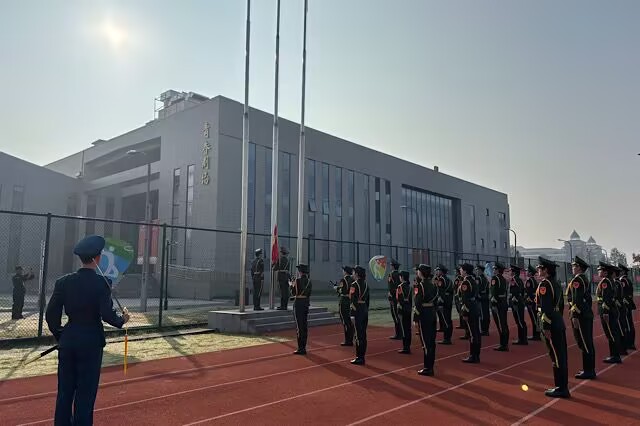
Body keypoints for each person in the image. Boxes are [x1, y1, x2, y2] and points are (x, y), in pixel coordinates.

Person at [45, 235, 130, 425]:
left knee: (64, 392)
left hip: (68, 341)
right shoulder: (102, 283)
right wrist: (122, 320)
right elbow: (107, 315)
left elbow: (51, 315)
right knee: (85, 394)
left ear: (81, 258)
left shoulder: (63, 282)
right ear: (98, 258)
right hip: (91, 342)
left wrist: (61, 335)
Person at [535, 256, 570, 399]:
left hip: (551, 324)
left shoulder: (545, 284)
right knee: (560, 355)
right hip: (557, 321)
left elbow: (546, 307)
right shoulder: (555, 283)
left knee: (556, 356)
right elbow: (559, 306)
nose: (538, 270)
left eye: (540, 268)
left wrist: (546, 326)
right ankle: (561, 386)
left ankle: (561, 388)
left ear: (546, 270)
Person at [566, 256, 596, 380]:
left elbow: (576, 299)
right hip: (585, 314)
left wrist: (575, 315)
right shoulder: (582, 279)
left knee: (584, 342)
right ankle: (588, 369)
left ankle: (589, 370)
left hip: (581, 315)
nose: (572, 267)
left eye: (574, 266)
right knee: (585, 342)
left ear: (579, 267)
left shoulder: (578, 280)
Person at [414, 264, 438, 376]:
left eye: (418, 271)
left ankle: (428, 367)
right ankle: (430, 365)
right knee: (431, 342)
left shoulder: (420, 286)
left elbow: (417, 303)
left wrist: (415, 318)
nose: (417, 272)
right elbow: (436, 299)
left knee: (425, 342)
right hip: (432, 313)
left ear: (422, 273)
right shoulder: (433, 285)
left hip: (424, 314)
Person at [596, 263, 623, 363]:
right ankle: (614, 355)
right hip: (612, 310)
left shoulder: (606, 282)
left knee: (611, 334)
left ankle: (615, 356)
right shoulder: (610, 280)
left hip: (608, 311)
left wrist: (605, 312)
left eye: (600, 270)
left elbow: (606, 298)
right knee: (613, 333)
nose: (598, 272)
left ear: (606, 272)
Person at [459, 263, 481, 363]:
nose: (460, 270)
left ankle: (473, 355)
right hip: (474, 307)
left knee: (472, 333)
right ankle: (476, 355)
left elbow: (465, 299)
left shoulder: (466, 282)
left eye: (461, 269)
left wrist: (465, 313)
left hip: (470, 309)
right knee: (476, 332)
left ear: (465, 271)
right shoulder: (473, 280)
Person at [290, 263, 312, 355]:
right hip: (305, 303)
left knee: (299, 326)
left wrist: (291, 285)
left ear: (300, 272)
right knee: (304, 325)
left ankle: (301, 348)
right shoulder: (309, 281)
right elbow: (309, 294)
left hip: (298, 303)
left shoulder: (297, 280)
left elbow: (294, 293)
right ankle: (304, 346)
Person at [350, 265, 370, 365]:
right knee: (363, 334)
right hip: (364, 310)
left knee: (358, 335)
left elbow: (352, 301)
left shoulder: (354, 285)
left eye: (354, 272)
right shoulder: (366, 284)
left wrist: (352, 314)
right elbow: (368, 300)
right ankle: (362, 356)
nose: (352, 274)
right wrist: (365, 309)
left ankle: (359, 357)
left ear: (357, 274)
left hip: (357, 311)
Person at [490, 262, 509, 351]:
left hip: (498, 303)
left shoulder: (495, 278)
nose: (493, 270)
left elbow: (494, 292)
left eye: (495, 269)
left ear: (497, 270)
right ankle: (505, 343)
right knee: (504, 323)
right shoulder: (503, 279)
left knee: (501, 325)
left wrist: (493, 304)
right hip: (503, 301)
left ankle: (503, 344)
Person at [610, 266, 628, 356]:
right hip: (620, 306)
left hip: (619, 307)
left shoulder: (616, 283)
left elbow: (616, 296)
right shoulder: (617, 282)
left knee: (620, 328)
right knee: (621, 327)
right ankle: (623, 348)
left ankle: (622, 348)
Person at [334, 266, 355, 346]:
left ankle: (348, 340)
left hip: (344, 301)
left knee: (345, 321)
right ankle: (350, 338)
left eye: (343, 270)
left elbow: (342, 290)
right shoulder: (353, 280)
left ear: (345, 272)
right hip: (350, 301)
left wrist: (336, 288)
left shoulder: (343, 280)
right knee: (349, 321)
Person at [434, 264, 454, 345]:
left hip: (443, 302)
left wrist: (440, 302)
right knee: (448, 319)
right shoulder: (448, 279)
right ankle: (448, 337)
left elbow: (440, 292)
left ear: (441, 271)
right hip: (448, 301)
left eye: (438, 270)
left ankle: (447, 339)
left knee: (445, 320)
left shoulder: (441, 280)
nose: (436, 272)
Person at [619, 264, 636, 351]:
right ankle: (630, 343)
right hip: (628, 304)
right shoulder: (626, 280)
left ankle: (630, 343)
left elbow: (624, 295)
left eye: (620, 270)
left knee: (628, 324)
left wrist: (623, 304)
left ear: (623, 271)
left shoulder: (623, 281)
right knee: (629, 323)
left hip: (626, 305)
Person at [509, 265, 528, 345]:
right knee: (521, 321)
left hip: (517, 302)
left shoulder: (514, 279)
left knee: (519, 321)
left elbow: (515, 291)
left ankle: (522, 339)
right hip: (520, 301)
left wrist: (514, 301)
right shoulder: (519, 279)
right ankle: (523, 338)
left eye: (511, 271)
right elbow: (522, 290)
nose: (510, 272)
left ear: (513, 272)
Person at [396, 270, 413, 354]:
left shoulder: (400, 287)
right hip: (408, 308)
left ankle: (405, 347)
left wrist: (399, 308)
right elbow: (410, 300)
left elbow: (399, 298)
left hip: (402, 309)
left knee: (403, 328)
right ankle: (408, 346)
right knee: (408, 328)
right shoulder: (410, 287)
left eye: (400, 276)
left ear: (402, 277)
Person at [525, 265, 541, 341]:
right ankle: (537, 334)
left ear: (530, 273)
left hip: (531, 302)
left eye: (528, 271)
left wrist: (528, 300)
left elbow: (529, 292)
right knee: (536, 318)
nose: (527, 272)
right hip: (534, 301)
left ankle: (536, 335)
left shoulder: (529, 281)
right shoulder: (534, 280)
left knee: (534, 319)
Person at [387, 259, 402, 340]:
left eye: (391, 265)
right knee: (398, 315)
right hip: (398, 297)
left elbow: (392, 287)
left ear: (392, 266)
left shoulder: (391, 275)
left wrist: (391, 295)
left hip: (394, 298)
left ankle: (398, 334)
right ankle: (400, 333)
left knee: (395, 315)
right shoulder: (399, 274)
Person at [476, 264, 491, 336]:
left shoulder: (478, 278)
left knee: (482, 314)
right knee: (486, 313)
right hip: (486, 297)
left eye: (477, 270)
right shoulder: (486, 278)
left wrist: (477, 296)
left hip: (481, 297)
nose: (476, 271)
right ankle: (486, 329)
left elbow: (477, 288)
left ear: (480, 270)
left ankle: (484, 330)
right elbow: (488, 289)